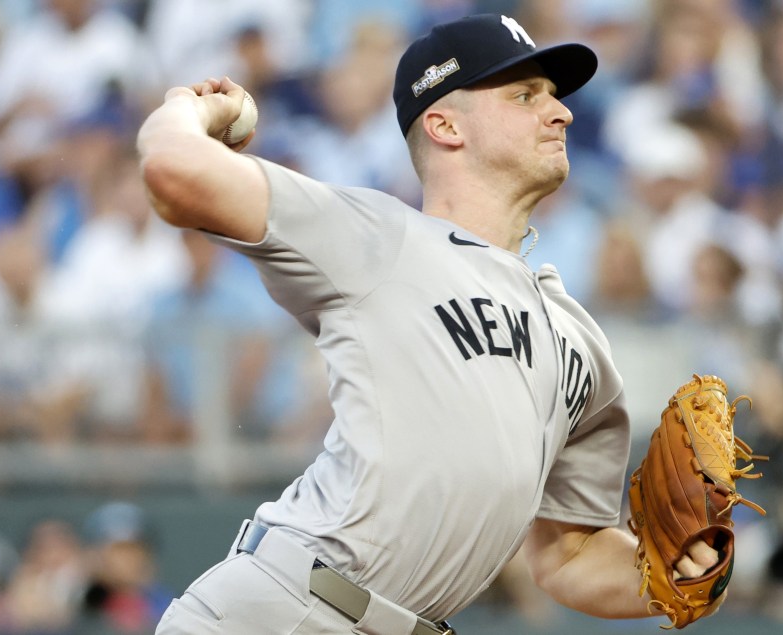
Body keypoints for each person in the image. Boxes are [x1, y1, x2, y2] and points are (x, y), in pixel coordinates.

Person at [138, 13, 723, 634]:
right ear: (444, 125)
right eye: (525, 95)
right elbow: (173, 170)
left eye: (554, 97)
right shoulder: (376, 234)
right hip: (288, 608)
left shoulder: (579, 342)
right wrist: (191, 110)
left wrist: (671, 572)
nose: (561, 114)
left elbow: (567, 555)